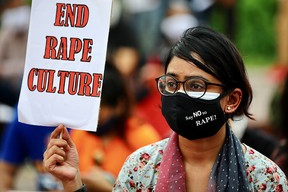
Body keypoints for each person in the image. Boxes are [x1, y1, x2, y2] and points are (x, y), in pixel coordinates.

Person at [43, 26, 288, 191]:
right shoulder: (140, 168)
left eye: (196, 85)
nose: (179, 94)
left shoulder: (263, 177)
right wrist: (73, 181)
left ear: (232, 100)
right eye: (171, 83)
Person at [62, 61, 161, 191]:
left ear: (119, 105)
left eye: (97, 109)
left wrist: (108, 188)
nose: (90, 116)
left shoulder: (143, 139)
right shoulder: (79, 133)